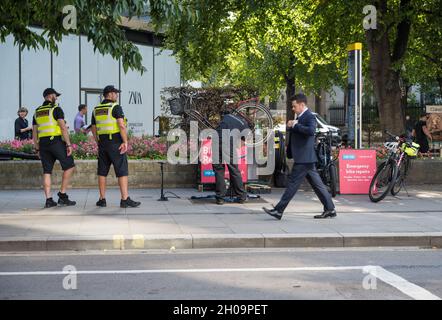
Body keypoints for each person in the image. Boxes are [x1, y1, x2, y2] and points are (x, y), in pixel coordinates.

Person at [263, 93, 336, 220]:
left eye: (294, 106)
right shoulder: (300, 117)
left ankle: (279, 210)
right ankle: (330, 209)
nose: (293, 108)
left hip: (304, 158)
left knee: (292, 185)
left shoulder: (309, 117)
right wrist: (292, 126)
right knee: (318, 185)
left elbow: (311, 131)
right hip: (305, 158)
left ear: (302, 105)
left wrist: (295, 125)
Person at [91, 85, 141, 208]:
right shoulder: (115, 107)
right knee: (122, 171)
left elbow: (93, 128)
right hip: (115, 143)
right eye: (115, 93)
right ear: (110, 94)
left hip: (102, 143)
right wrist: (125, 142)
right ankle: (124, 199)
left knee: (102, 172)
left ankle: (102, 199)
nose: (117, 95)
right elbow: (121, 125)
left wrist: (98, 141)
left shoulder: (96, 109)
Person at [32, 88, 76, 208]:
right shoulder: (56, 109)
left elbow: (34, 132)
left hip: (43, 145)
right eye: (55, 95)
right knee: (70, 166)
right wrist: (68, 144)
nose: (56, 97)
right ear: (50, 95)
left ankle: (48, 200)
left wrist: (37, 148)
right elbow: (63, 127)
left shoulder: (37, 111)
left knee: (47, 171)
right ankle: (62, 194)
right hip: (55, 142)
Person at [212, 109, 249, 205]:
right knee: (234, 169)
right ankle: (241, 196)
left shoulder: (226, 117)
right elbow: (242, 141)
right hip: (228, 143)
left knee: (218, 170)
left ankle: (220, 198)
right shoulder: (244, 123)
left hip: (216, 141)